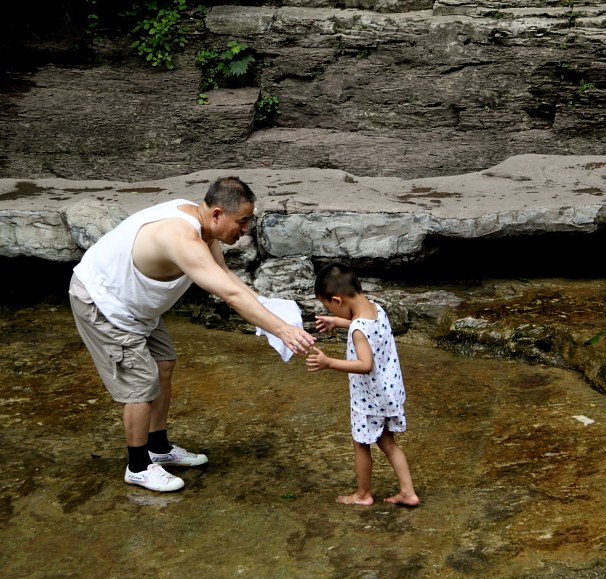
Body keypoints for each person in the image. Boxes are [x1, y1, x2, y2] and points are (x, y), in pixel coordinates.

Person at [69, 177, 316, 493]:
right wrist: (281, 330)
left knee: (164, 364)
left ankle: (158, 447)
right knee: (142, 381)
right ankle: (138, 466)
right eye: (241, 222)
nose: (244, 231)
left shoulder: (206, 231)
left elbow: (226, 277)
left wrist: (269, 309)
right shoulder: (182, 238)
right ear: (216, 214)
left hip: (136, 305)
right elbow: (229, 294)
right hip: (103, 301)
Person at [305, 263, 420, 507]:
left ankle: (363, 494)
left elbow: (365, 364)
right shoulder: (376, 309)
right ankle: (408, 492)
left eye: (329, 306)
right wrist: (337, 320)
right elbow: (362, 324)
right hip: (390, 391)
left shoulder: (358, 330)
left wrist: (328, 362)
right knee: (388, 442)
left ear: (337, 300)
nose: (330, 310)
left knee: (361, 443)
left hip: (370, 398)